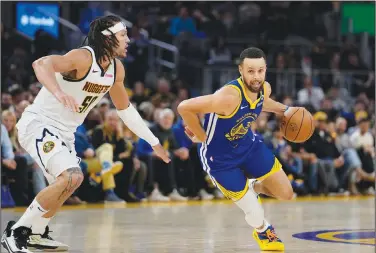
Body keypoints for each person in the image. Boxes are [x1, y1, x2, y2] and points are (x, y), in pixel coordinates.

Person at [1, 15, 169, 253]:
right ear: (107, 39)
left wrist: (153, 142)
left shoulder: (115, 69)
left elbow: (125, 110)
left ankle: (36, 233)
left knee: (68, 184)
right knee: (71, 177)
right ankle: (16, 234)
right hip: (39, 123)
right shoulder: (83, 57)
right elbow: (40, 64)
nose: (128, 40)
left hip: (65, 132)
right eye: (123, 36)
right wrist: (59, 93)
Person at [177, 47, 297, 251]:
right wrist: (203, 136)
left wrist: (284, 110)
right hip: (220, 158)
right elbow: (184, 107)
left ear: (266, 69)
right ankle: (264, 230)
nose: (256, 76)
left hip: (248, 145)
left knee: (286, 193)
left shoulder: (264, 88)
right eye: (250, 71)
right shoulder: (229, 97)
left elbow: (262, 102)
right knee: (255, 213)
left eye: (260, 70)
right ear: (241, 70)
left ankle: (252, 188)